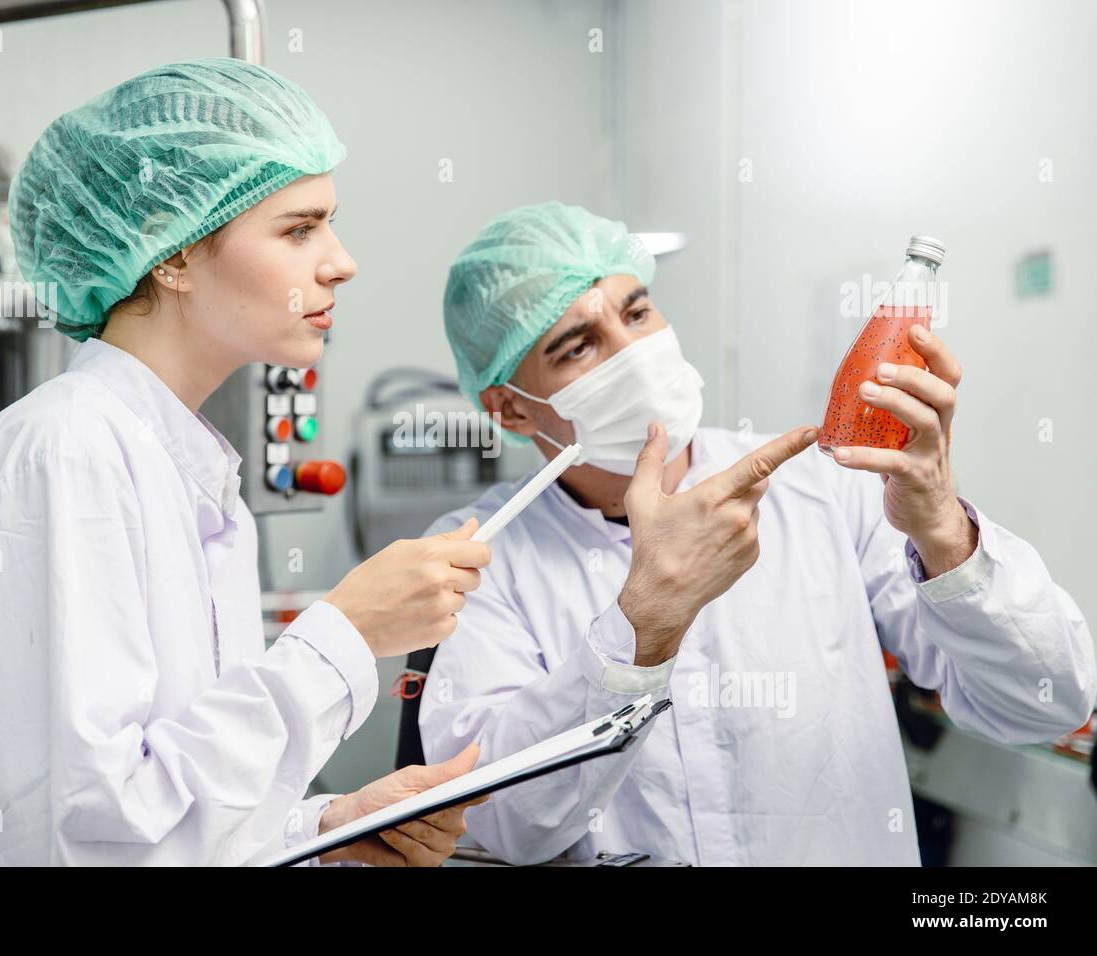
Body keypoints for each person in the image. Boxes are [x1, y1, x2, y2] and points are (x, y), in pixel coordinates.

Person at [0, 59, 490, 867]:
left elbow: (169, 799)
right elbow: (86, 838)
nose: (340, 261)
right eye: (298, 229)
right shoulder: (67, 455)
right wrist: (343, 635)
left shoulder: (186, 470)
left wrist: (323, 829)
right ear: (171, 256)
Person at [417, 201, 1096, 865]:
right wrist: (642, 629)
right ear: (510, 409)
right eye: (578, 346)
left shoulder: (820, 487)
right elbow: (500, 822)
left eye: (637, 312)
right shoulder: (477, 558)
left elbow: (1048, 702)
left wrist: (945, 531)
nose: (635, 354)